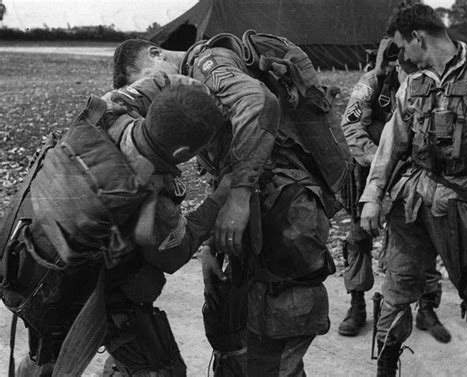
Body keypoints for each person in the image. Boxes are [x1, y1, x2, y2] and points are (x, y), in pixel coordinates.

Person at [112, 33, 348, 376]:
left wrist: (238, 196)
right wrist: (211, 240)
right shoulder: (195, 90)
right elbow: (223, 161)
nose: (155, 94)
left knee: (274, 338)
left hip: (286, 215)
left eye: (147, 82)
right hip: (265, 212)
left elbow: (260, 101)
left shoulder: (208, 65)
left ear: (155, 54)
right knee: (246, 333)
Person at [3, 83, 230, 377]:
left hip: (24, 262)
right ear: (183, 153)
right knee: (163, 371)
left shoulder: (107, 118)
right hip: (78, 293)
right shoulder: (158, 201)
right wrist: (220, 198)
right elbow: (174, 256)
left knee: (46, 358)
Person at [359, 4, 467, 376]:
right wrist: (372, 198)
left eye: (401, 46)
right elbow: (391, 146)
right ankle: (387, 364)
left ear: (418, 38)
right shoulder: (412, 85)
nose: (401, 56)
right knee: (397, 284)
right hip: (415, 197)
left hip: (466, 204)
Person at [339, 36, 451, 343]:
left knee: (423, 239)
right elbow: (350, 126)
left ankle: (427, 305)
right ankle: (357, 304)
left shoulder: (433, 83)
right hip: (369, 174)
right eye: (401, 63)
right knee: (359, 238)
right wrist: (380, 163)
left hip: (414, 181)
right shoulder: (371, 84)